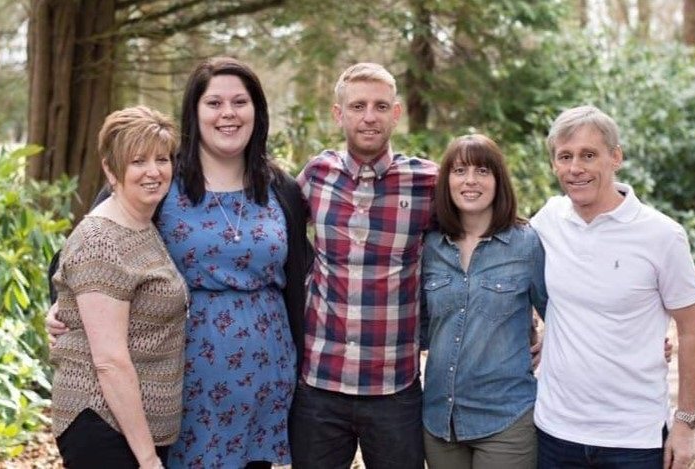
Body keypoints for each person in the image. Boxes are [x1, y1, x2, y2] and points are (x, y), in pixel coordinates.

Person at [48, 57, 311, 469]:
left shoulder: (281, 188)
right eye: (214, 103)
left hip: (264, 384)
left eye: (240, 102)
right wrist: (63, 308)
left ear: (257, 113)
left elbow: (302, 275)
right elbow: (86, 248)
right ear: (194, 112)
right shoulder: (160, 176)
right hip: (180, 385)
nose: (228, 113)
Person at [531, 105, 695, 469]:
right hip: (555, 432)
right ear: (554, 165)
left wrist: (685, 423)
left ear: (616, 157)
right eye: (565, 157)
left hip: (634, 439)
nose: (575, 167)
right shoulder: (548, 219)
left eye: (588, 155)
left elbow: (692, 331)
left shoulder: (662, 235)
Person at [289, 62, 437, 469]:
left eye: (379, 106)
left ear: (396, 113)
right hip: (320, 385)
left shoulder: (427, 183)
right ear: (339, 114)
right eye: (357, 106)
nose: (369, 116)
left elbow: (482, 231)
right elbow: (271, 231)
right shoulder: (317, 176)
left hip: (394, 387)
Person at [50, 106, 186, 469]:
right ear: (111, 169)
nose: (154, 171)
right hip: (104, 426)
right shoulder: (100, 240)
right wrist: (147, 458)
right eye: (138, 161)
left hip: (136, 429)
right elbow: (109, 361)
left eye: (161, 159)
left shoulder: (142, 225)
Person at [420, 134, 547, 469]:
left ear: (498, 180)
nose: (470, 180)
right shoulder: (429, 247)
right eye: (460, 171)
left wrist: (550, 343)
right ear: (446, 180)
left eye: (482, 171)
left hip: (505, 417)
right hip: (439, 420)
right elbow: (418, 326)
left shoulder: (527, 243)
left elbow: (563, 312)